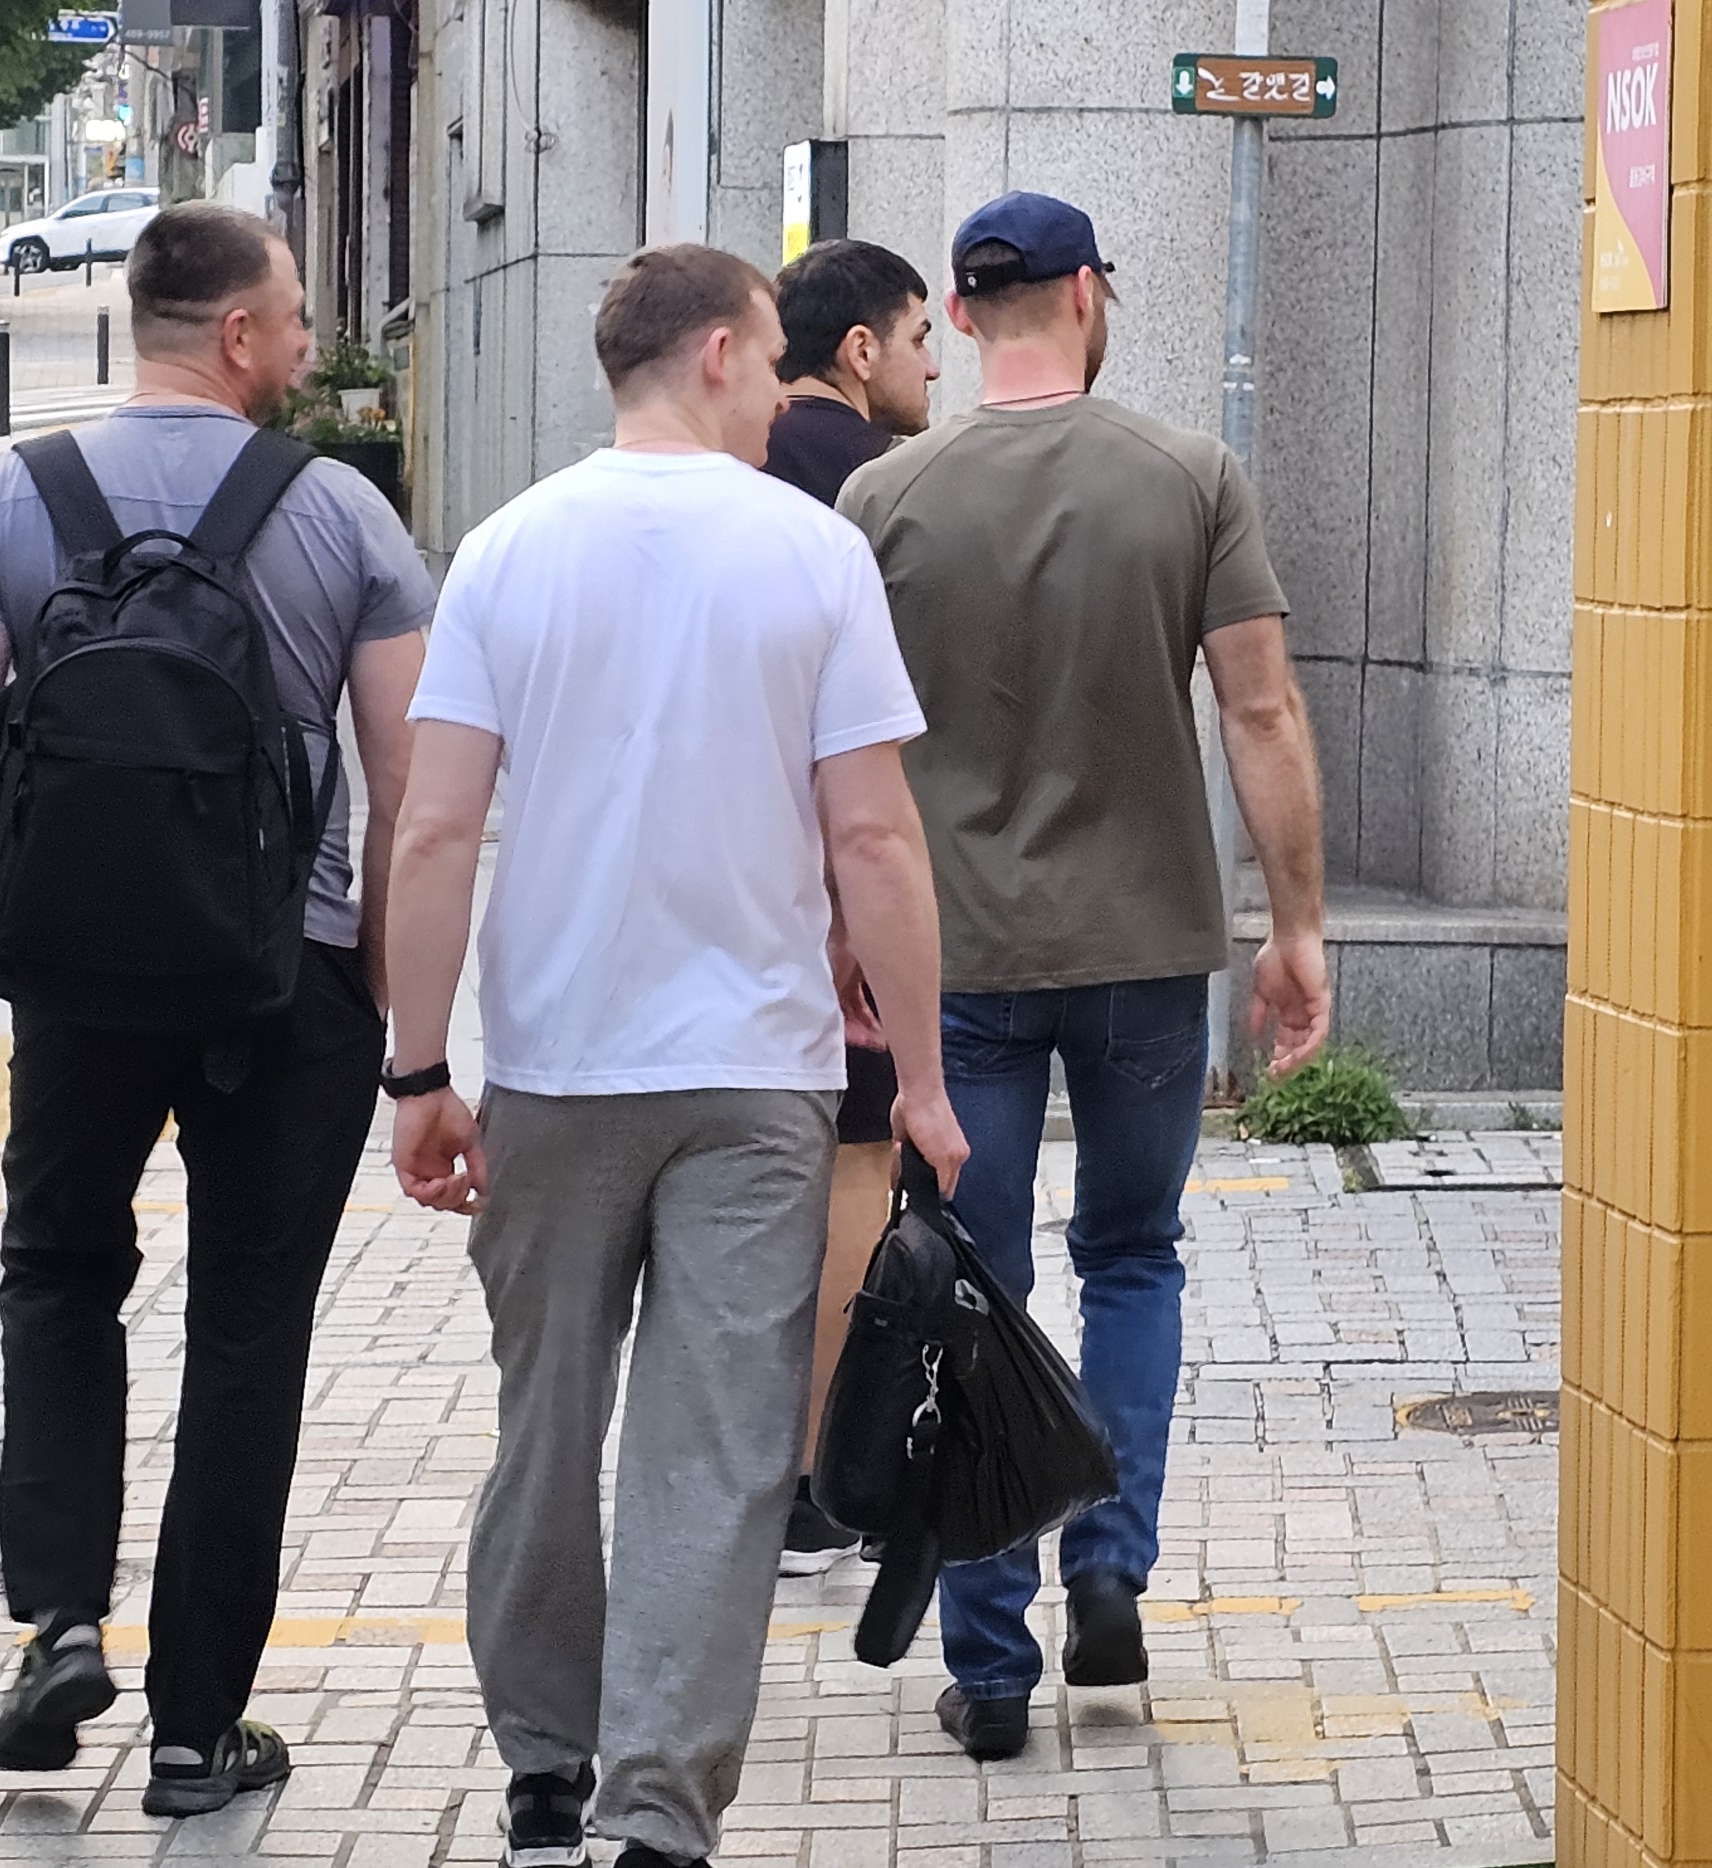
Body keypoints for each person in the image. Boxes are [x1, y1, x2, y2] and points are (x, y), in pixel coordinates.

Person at [384, 243, 970, 1868]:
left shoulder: (506, 550)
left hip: (556, 1072)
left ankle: (542, 1773)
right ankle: (657, 1814)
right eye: (772, 358)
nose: (784, 393)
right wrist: (923, 1082)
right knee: (712, 1456)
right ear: (715, 354)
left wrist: (418, 1072)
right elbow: (877, 840)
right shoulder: (812, 554)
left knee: (545, 1429)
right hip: (755, 1080)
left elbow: (434, 830)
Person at [0, 202, 436, 1805]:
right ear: (238, 335)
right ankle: (195, 1729)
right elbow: (411, 793)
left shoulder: (13, 496)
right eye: (295, 317)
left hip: (79, 975)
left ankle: (57, 1621)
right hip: (289, 977)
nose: (306, 343)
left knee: (57, 1273)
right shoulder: (343, 515)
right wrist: (402, 1025)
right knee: (247, 1331)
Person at [833, 191, 1332, 1762]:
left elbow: (838, 753)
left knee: (968, 1288)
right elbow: (1260, 712)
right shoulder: (1190, 477)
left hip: (958, 957)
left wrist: (841, 933)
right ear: (1090, 297)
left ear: (961, 316)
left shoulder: (884, 496)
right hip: (1145, 950)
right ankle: (1109, 1565)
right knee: (1132, 1257)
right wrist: (1296, 926)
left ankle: (988, 1666)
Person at [755, 236, 941, 1578]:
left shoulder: (731, 463)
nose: (936, 364)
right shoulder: (876, 485)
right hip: (843, 883)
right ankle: (821, 1476)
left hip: (735, 875)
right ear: (861, 349)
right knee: (858, 1167)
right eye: (922, 337)